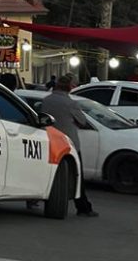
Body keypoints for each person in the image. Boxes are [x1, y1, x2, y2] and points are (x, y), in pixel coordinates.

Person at [40, 75, 98, 217]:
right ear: (70, 87)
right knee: (77, 177)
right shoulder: (71, 104)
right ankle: (83, 207)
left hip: (50, 141)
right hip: (68, 144)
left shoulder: (46, 101)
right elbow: (83, 121)